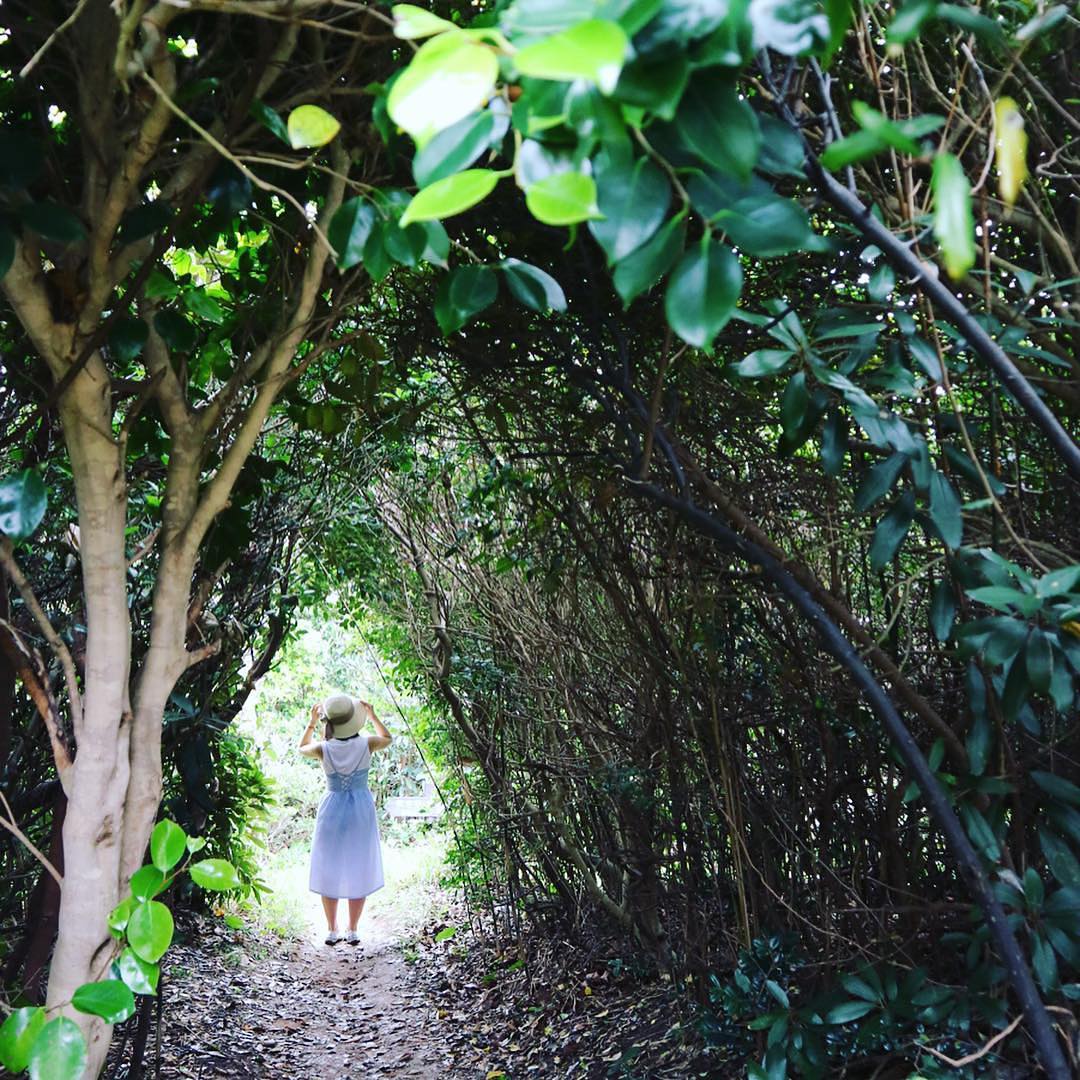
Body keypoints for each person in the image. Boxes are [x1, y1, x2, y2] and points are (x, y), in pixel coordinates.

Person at [299, 692, 392, 946]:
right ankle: (352, 930)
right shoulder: (367, 744)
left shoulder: (323, 748)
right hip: (360, 809)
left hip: (332, 807)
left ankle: (332, 929)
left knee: (330, 866)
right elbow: (387, 738)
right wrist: (372, 715)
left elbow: (301, 748)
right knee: (358, 866)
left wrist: (311, 723)